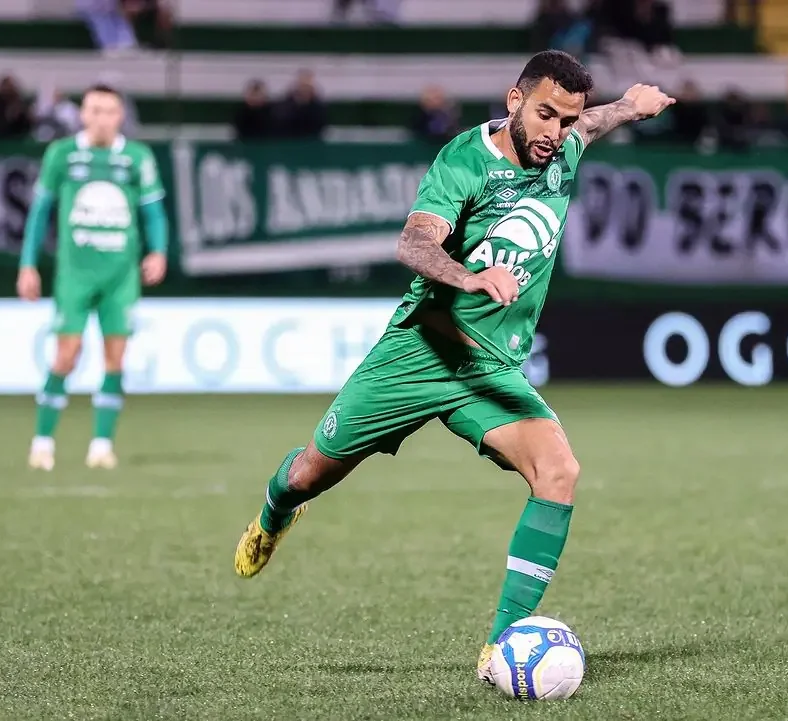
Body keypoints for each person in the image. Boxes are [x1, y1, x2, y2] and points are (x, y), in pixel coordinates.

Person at [231, 50, 674, 683]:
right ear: (513, 101)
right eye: (544, 113)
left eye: (566, 118)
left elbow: (592, 125)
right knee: (309, 473)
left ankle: (499, 647)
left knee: (559, 471)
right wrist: (470, 277)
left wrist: (632, 105)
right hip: (420, 352)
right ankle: (276, 512)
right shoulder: (466, 161)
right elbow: (413, 242)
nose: (555, 131)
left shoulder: (566, 142)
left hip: (490, 367)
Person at [16, 84, 169, 471]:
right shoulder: (63, 154)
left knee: (115, 359)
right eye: (94, 110)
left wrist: (158, 251)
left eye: (109, 111)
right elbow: (40, 214)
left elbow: (153, 212)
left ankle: (101, 445)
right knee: (66, 355)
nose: (102, 117)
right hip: (75, 274)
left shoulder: (136, 157)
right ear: (82, 114)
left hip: (120, 277)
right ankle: (42, 442)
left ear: (120, 116)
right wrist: (28, 264)